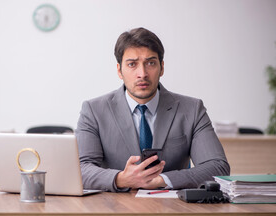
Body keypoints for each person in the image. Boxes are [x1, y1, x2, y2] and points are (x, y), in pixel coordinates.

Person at [75, 27, 230, 192]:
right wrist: (122, 179)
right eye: (132, 64)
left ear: (161, 68)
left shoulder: (192, 109)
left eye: (150, 63)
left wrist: (162, 180)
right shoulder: (93, 110)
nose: (142, 73)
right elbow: (81, 169)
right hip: (114, 208)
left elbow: (218, 167)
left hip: (173, 209)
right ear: (120, 70)